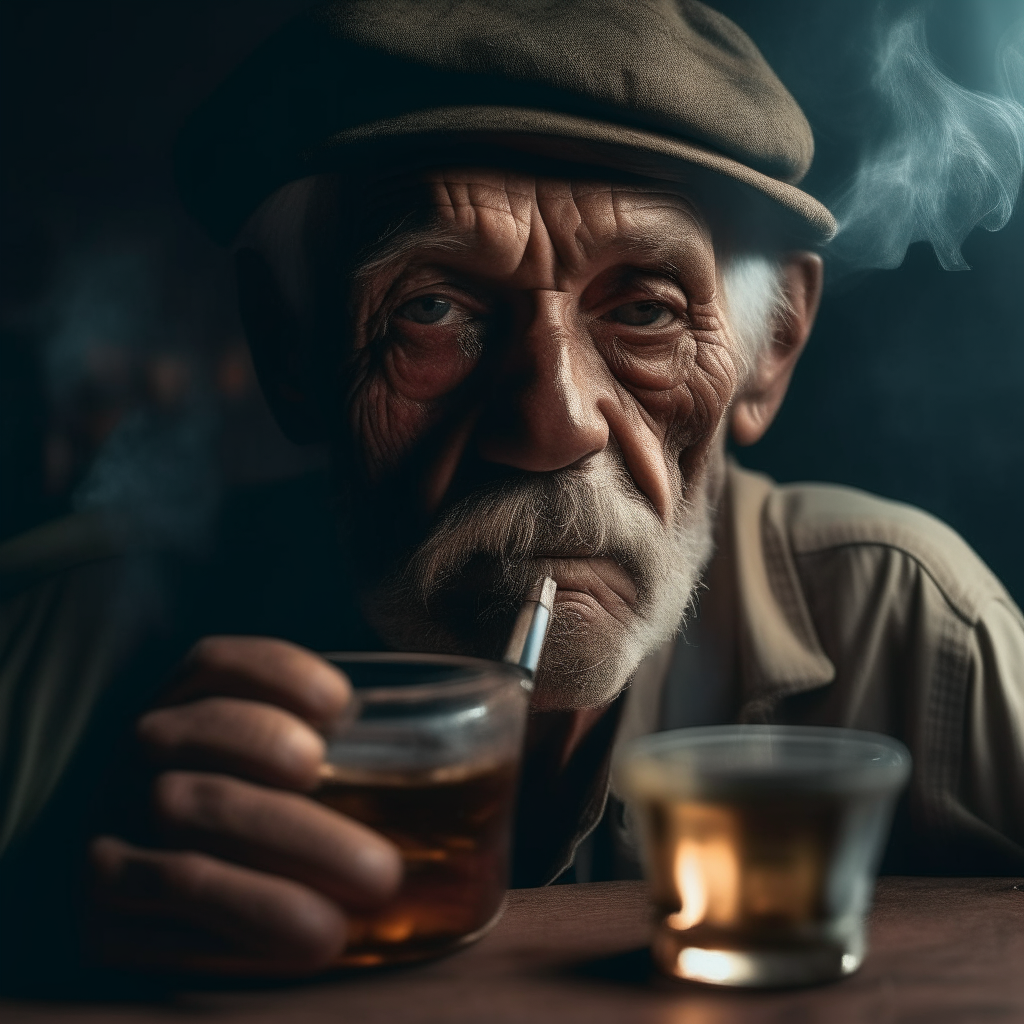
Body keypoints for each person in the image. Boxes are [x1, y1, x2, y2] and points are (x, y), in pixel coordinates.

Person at [1, 0, 1022, 983]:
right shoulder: (57, 651)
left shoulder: (916, 633)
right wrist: (55, 940)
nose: (553, 422)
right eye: (433, 306)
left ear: (770, 350)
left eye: (647, 309)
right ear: (289, 350)